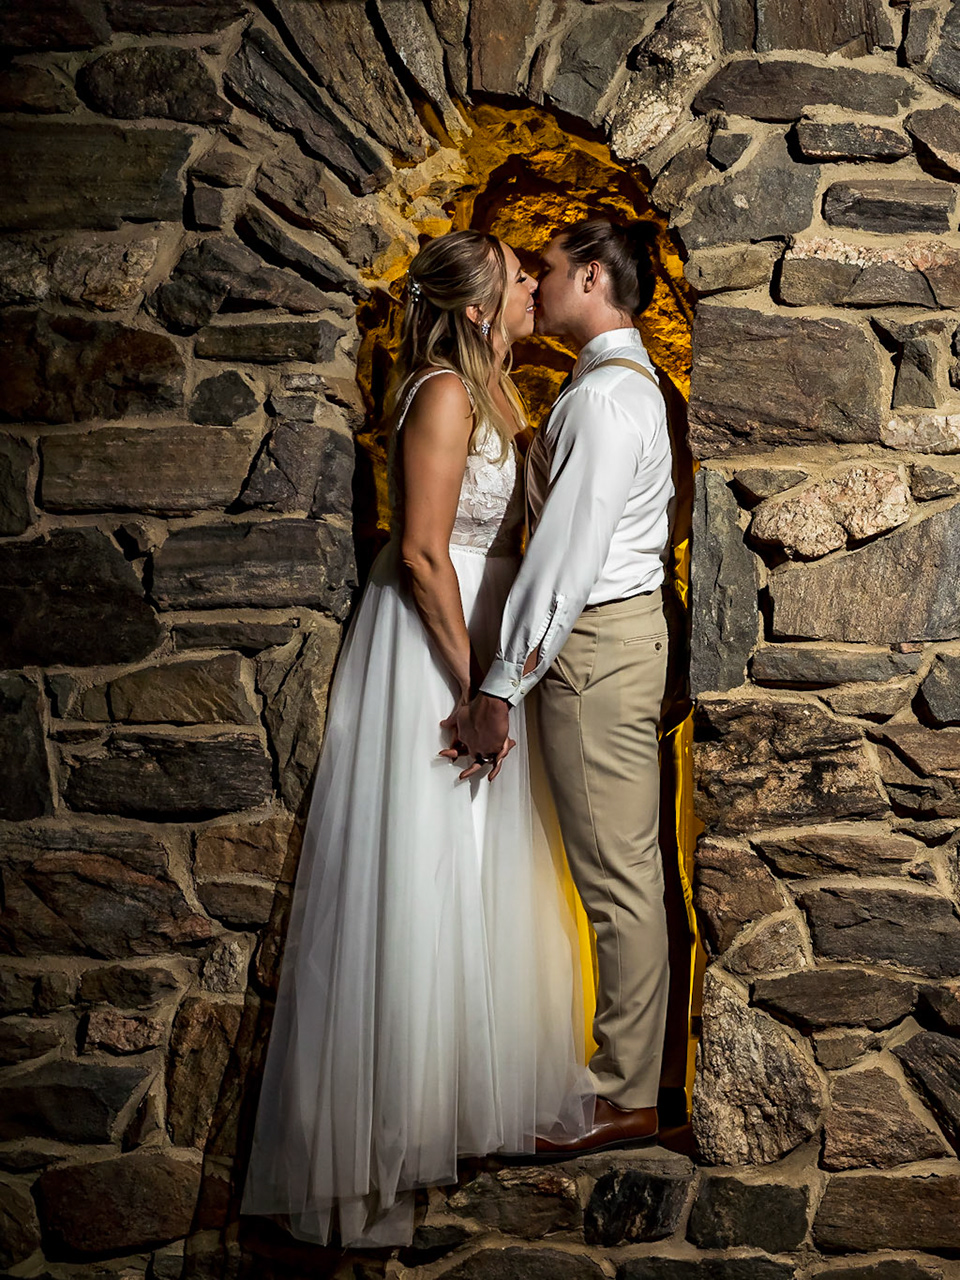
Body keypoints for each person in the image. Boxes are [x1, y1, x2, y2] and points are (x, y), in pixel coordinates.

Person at [241, 230, 595, 1247]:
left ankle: (460, 1106)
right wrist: (476, 684)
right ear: (478, 307)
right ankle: (388, 1131)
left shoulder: (499, 391)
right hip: (435, 649)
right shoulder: (443, 393)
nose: (534, 284)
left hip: (486, 648)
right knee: (423, 866)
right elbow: (428, 552)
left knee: (484, 870)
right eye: (519, 278)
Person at [459, 216, 677, 1155]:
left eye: (547, 271)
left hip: (594, 650)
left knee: (619, 879)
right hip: (606, 647)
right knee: (616, 869)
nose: (536, 286)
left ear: (592, 278)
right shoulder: (620, 386)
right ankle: (631, 1076)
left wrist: (501, 685)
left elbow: (565, 561)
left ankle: (625, 1093)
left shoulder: (602, 403)